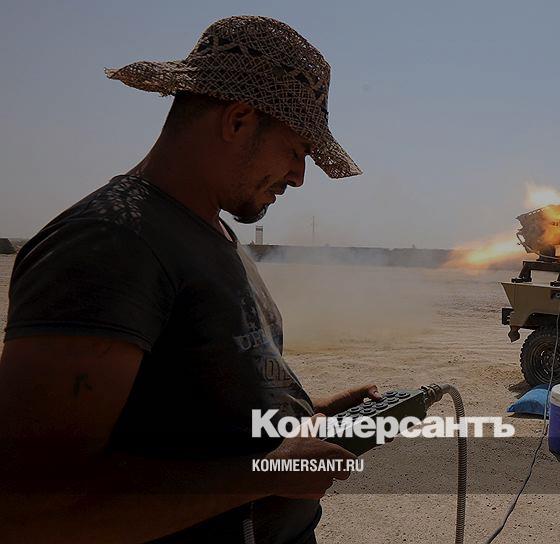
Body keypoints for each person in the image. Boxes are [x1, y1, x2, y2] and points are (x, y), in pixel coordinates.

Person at [0, 16, 375, 544]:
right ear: (238, 121)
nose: (298, 176)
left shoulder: (210, 232)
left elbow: (187, 415)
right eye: (295, 151)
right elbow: (28, 505)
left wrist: (309, 418)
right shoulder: (108, 244)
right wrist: (267, 473)